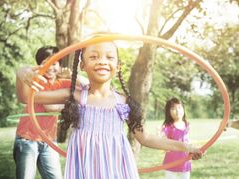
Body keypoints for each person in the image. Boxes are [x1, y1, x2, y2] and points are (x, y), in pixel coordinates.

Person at [19, 38, 203, 179]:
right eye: (93, 56)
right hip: (85, 169)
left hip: (116, 169)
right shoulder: (75, 95)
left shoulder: (123, 102)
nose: (102, 61)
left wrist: (185, 146)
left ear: (118, 66)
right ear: (82, 65)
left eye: (109, 57)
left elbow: (145, 138)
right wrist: (20, 74)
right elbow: (26, 98)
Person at [14, 46, 71, 179]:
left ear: (60, 66)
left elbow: (87, 90)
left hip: (49, 140)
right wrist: (68, 106)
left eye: (54, 62)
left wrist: (73, 75)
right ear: (38, 66)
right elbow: (49, 107)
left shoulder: (63, 83)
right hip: (27, 139)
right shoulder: (36, 81)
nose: (50, 67)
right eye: (45, 63)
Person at [161, 98, 191, 179]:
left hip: (185, 161)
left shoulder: (187, 124)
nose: (177, 111)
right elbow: (163, 140)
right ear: (168, 112)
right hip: (171, 161)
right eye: (173, 108)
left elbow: (187, 139)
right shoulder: (167, 127)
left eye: (179, 107)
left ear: (183, 109)